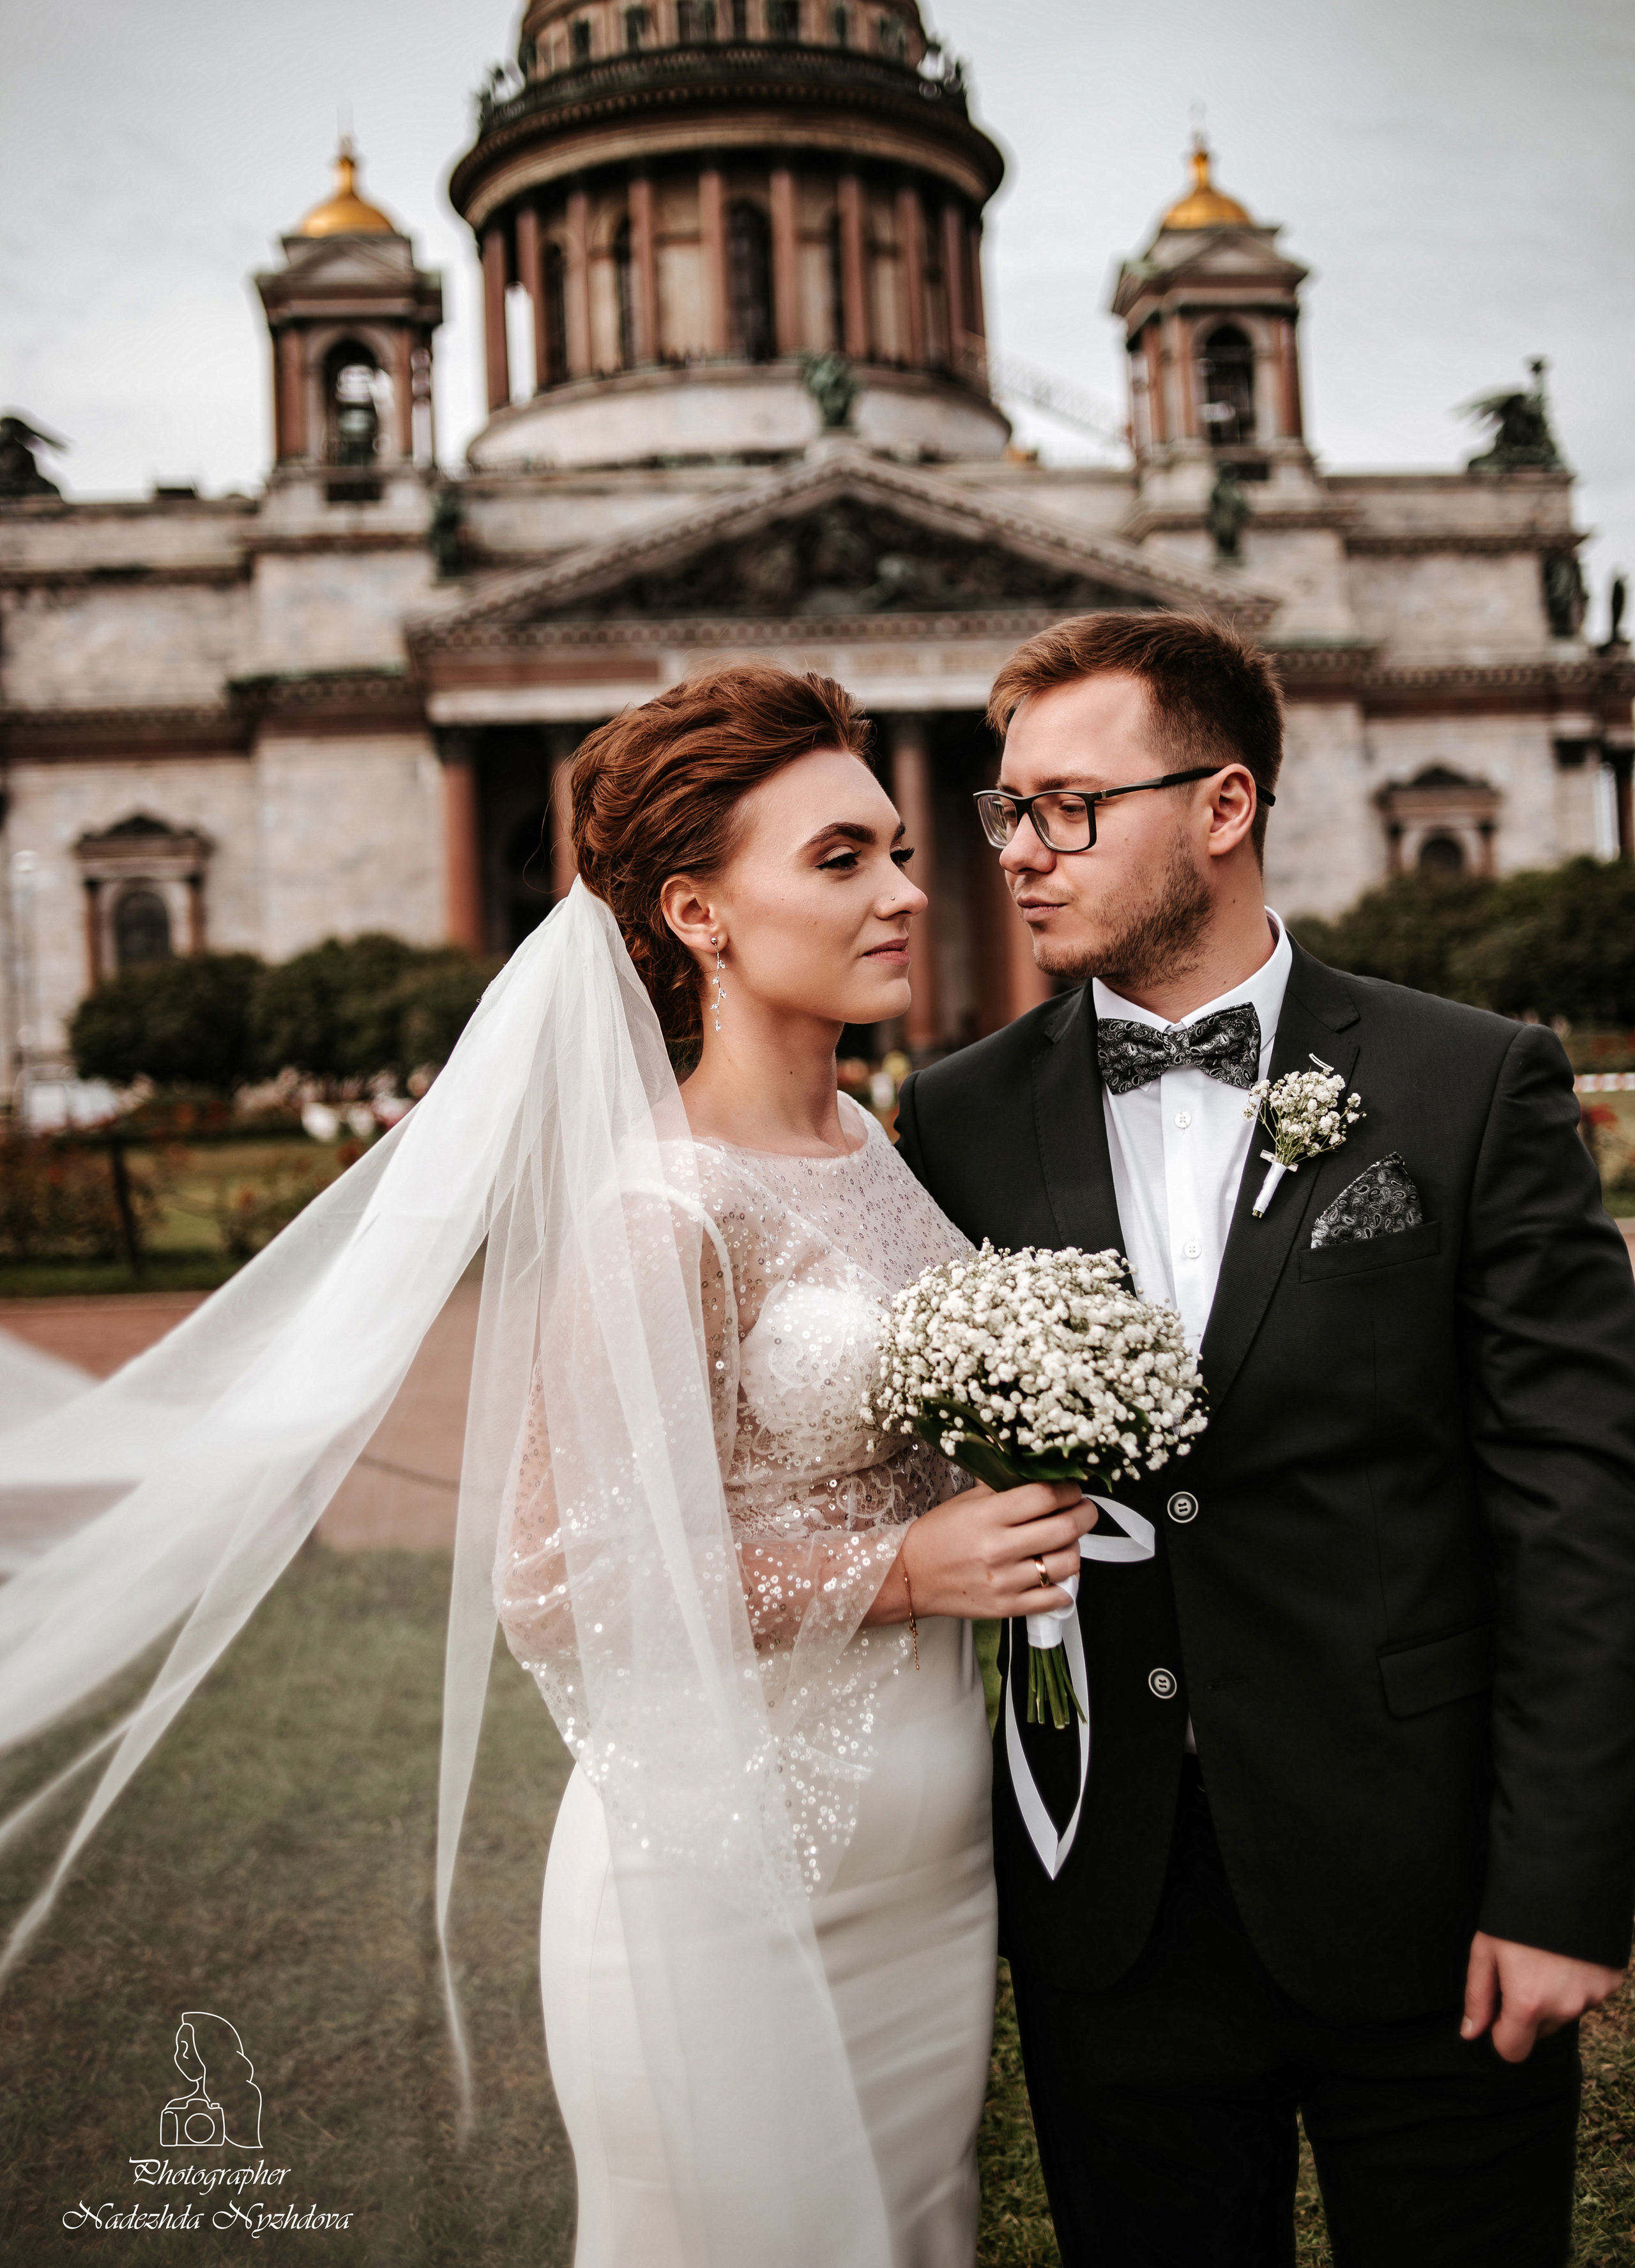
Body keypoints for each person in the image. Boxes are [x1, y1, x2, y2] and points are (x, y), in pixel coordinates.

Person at [0, 662, 1083, 2268]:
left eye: (898, 850)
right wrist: (907, 1570)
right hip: (728, 1871)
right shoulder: (658, 1205)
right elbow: (560, 1578)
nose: (907, 893)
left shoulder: (878, 1151)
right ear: (698, 915)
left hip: (926, 1864)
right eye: (838, 861)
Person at [896, 610, 1635, 2268]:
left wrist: (1563, 1883)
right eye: (1008, 810)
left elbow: (1577, 1505)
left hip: (1431, 1888)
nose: (1020, 851)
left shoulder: (1468, 1083)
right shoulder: (955, 1116)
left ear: (1223, 808)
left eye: (1070, 807)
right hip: (1114, 1906)